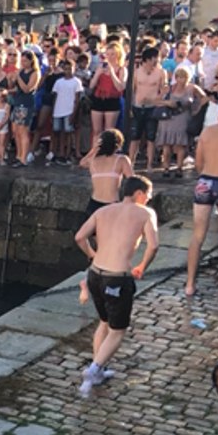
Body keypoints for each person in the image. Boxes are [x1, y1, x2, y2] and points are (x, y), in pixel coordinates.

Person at [74, 176, 159, 397]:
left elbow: (80, 237)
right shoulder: (145, 213)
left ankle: (99, 368)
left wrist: (92, 255)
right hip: (117, 278)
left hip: (95, 275)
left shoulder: (103, 211)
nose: (149, 200)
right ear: (139, 194)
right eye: (148, 195)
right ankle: (93, 370)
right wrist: (142, 266)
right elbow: (154, 245)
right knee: (117, 330)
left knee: (103, 322)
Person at [77, 129, 135, 304]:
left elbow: (82, 163)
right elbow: (132, 181)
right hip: (110, 207)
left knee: (94, 244)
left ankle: (92, 268)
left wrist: (93, 149)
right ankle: (96, 279)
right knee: (109, 248)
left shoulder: (94, 160)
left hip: (94, 205)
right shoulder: (121, 160)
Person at [186, 108, 218, 296]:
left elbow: (198, 163)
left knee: (198, 235)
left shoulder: (207, 132)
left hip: (206, 181)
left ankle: (190, 284)